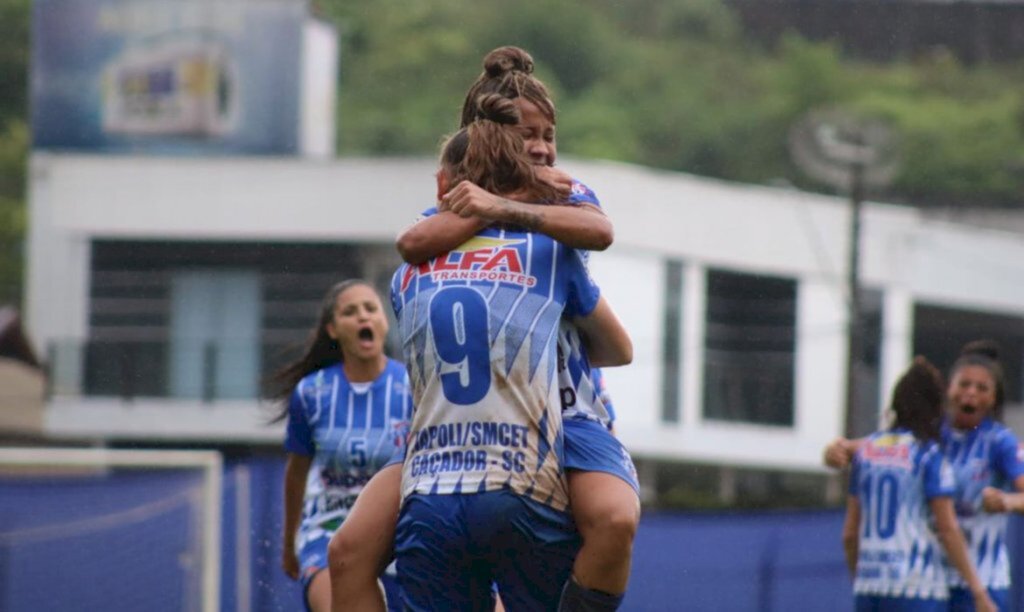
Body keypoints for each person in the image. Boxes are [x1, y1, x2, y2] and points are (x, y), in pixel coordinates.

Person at [401, 45, 642, 610]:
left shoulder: (562, 189)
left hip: (564, 407)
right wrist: (486, 204)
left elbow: (598, 230)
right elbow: (411, 245)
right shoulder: (454, 210)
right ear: (486, 140)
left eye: (548, 133)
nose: (541, 146)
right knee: (355, 547)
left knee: (614, 518)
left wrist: (508, 207)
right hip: (459, 422)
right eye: (526, 134)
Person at [826, 340, 1024, 611]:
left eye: (982, 388)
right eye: (963, 384)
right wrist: (837, 449)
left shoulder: (1001, 442)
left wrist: (1007, 501)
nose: (970, 394)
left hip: (981, 580)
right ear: (948, 390)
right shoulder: (932, 436)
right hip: (934, 578)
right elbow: (879, 446)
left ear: (993, 399)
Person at [272, 280, 412, 612]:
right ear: (333, 330)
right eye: (350, 312)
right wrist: (290, 543)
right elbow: (296, 473)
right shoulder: (311, 393)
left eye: (370, 308)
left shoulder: (412, 385)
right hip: (327, 531)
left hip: (397, 533)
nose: (363, 317)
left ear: (383, 322)